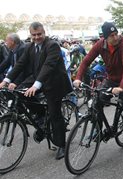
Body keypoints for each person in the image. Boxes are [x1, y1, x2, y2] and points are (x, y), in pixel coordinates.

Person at [0, 22, 73, 160]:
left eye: (39, 34)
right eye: (34, 35)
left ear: (44, 32)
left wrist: (36, 85)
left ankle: (61, 145)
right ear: (30, 34)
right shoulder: (30, 47)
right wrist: (6, 80)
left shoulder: (52, 45)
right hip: (37, 77)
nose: (37, 37)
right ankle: (41, 116)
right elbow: (20, 64)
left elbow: (48, 66)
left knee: (55, 113)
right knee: (20, 93)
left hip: (54, 82)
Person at [73, 22, 123, 143]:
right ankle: (98, 130)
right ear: (105, 37)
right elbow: (86, 61)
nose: (115, 37)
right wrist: (78, 78)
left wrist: (122, 87)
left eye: (116, 34)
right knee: (96, 103)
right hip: (112, 79)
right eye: (112, 35)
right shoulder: (100, 45)